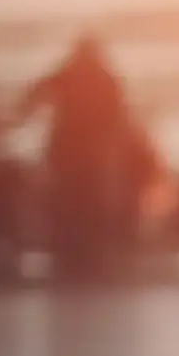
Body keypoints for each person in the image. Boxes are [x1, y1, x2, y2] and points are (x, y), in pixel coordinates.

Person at [17, 36, 131, 278]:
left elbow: (33, 96)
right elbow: (119, 118)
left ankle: (72, 254)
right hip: (90, 155)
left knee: (71, 205)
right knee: (87, 206)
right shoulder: (104, 79)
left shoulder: (69, 74)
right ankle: (87, 255)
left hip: (69, 153)